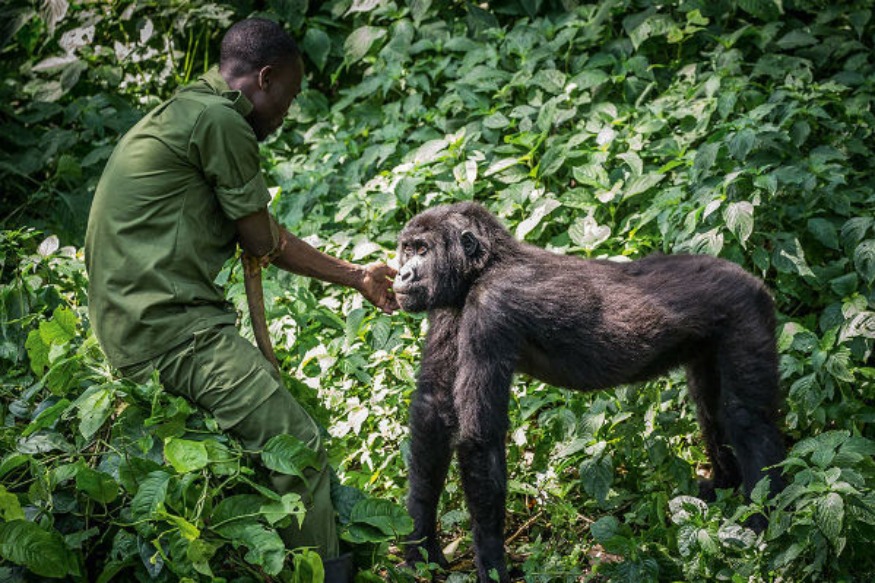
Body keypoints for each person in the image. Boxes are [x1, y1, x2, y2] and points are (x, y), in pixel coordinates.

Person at [84, 18, 397, 581]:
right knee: (296, 445)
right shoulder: (220, 121)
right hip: (171, 332)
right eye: (290, 96)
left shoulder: (189, 108)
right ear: (265, 78)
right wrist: (356, 277)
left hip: (132, 324)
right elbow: (261, 240)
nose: (287, 111)